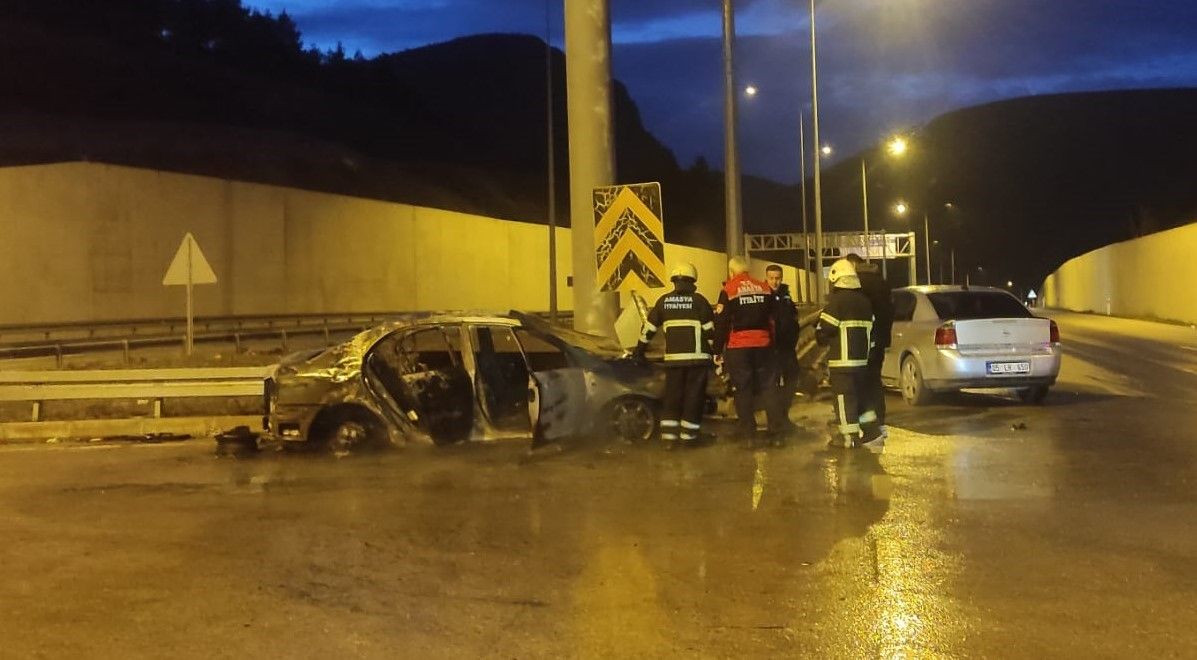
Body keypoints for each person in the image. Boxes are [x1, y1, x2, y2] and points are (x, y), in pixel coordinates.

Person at [632, 263, 716, 449]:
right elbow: (711, 332)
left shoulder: (663, 302)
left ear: (674, 282)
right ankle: (689, 438)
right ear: (693, 280)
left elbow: (648, 329)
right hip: (697, 360)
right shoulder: (699, 301)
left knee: (673, 397)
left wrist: (639, 350)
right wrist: (715, 354)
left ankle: (669, 439)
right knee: (693, 398)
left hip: (673, 361)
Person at [713, 256, 787, 447]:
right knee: (769, 388)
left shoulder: (728, 290)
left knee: (743, 390)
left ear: (731, 272)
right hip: (764, 345)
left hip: (739, 347)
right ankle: (776, 435)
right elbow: (775, 319)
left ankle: (749, 436)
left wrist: (716, 351)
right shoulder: (763, 288)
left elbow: (721, 323)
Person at [815, 258, 880, 449]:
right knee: (861, 397)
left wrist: (818, 330)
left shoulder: (837, 302)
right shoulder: (865, 302)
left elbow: (825, 330)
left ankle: (848, 438)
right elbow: (873, 333)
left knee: (844, 399)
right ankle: (871, 431)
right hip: (861, 362)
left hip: (842, 363)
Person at [844, 253, 894, 439]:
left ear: (853, 264)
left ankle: (867, 426)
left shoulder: (858, 283)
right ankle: (880, 421)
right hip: (880, 339)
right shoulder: (881, 282)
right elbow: (888, 311)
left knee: (860, 383)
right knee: (874, 380)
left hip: (863, 339)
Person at [764, 264, 801, 426]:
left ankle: (783, 415)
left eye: (777, 278)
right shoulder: (763, 295)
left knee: (792, 379)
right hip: (771, 349)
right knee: (772, 385)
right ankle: (775, 420)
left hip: (787, 348)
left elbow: (793, 318)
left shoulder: (786, 296)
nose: (775, 282)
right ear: (766, 278)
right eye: (771, 278)